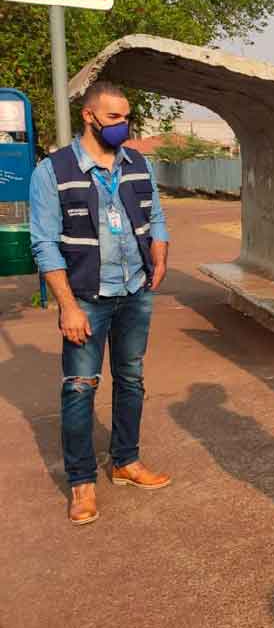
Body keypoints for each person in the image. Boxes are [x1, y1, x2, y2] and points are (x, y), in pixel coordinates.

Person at [29, 80, 172, 526]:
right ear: (89, 116)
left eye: (126, 117)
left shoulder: (136, 163)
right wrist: (67, 306)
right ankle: (81, 482)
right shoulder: (53, 171)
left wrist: (160, 249)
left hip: (134, 292)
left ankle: (125, 462)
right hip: (87, 299)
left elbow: (155, 214)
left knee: (131, 380)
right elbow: (44, 244)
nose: (123, 125)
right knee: (79, 387)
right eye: (114, 118)